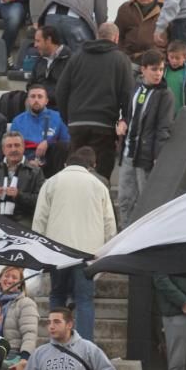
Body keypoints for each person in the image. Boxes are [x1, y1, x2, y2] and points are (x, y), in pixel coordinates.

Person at [32, 146, 116, 343]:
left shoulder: (52, 182)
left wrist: (39, 252)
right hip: (87, 254)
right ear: (90, 167)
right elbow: (109, 224)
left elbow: (40, 220)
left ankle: (56, 340)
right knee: (84, 300)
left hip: (57, 251)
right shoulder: (98, 185)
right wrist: (105, 254)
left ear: (65, 165)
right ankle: (84, 346)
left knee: (58, 295)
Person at [55, 22, 132, 184]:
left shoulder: (77, 56)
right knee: (100, 175)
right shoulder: (121, 59)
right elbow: (127, 94)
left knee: (75, 172)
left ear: (97, 36)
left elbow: (61, 90)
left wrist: (68, 118)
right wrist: (125, 118)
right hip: (104, 124)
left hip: (77, 124)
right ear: (116, 38)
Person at [116, 49, 173, 229]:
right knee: (124, 199)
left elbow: (163, 128)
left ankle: (145, 240)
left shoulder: (166, 95)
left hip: (146, 157)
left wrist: (159, 156)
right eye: (154, 69)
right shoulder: (136, 87)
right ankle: (124, 237)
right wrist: (122, 122)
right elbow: (128, 113)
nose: (158, 73)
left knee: (147, 203)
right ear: (143, 69)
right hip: (128, 152)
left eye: (161, 69)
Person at [0, 266, 39, 370]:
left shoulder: (26, 303)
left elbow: (30, 333)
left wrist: (24, 360)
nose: (9, 280)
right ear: (0, 279)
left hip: (14, 358)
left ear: (20, 283)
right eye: (6, 276)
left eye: (14, 277)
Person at [0, 131, 43, 228]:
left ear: (23, 147)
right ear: (3, 150)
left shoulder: (36, 172)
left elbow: (41, 202)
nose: (13, 149)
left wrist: (19, 195)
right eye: (9, 146)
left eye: (17, 145)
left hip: (23, 222)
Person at [37, 0, 108, 53]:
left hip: (50, 16)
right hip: (74, 18)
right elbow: (101, 12)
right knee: (84, 57)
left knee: (56, 59)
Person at [10, 84, 70, 176]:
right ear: (28, 100)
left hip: (52, 160)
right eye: (33, 97)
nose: (36, 100)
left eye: (40, 97)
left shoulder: (58, 117)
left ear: (46, 101)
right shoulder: (18, 121)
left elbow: (67, 142)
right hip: (27, 161)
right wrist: (28, 161)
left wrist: (48, 143)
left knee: (63, 147)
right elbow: (13, 147)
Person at [115, 0, 164, 64]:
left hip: (157, 61)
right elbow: (118, 35)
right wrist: (122, 56)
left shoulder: (166, 10)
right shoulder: (125, 9)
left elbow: (174, 38)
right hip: (130, 60)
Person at [27, 25, 70, 109]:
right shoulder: (40, 59)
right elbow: (30, 84)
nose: (35, 45)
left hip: (59, 108)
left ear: (48, 40)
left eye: (38, 41)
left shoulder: (69, 60)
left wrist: (44, 96)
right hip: (39, 106)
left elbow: (68, 90)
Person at [163, 39, 186, 113]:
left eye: (177, 58)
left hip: (183, 116)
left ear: (185, 58)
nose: (174, 61)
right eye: (171, 57)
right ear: (167, 56)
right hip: (165, 115)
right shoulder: (162, 72)